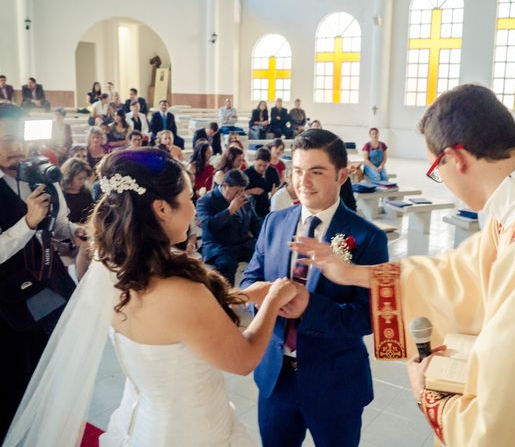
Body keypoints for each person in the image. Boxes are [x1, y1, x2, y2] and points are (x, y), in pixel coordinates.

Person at [291, 84, 515, 446]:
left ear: (455, 158)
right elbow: (464, 272)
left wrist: (430, 396)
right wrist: (354, 274)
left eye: (435, 169)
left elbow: (508, 421)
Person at [4, 147, 300, 446]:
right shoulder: (182, 293)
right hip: (194, 432)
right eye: (188, 200)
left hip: (142, 422)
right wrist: (274, 299)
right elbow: (243, 360)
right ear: (161, 208)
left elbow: (177, 324)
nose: (194, 210)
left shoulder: (109, 265)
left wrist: (244, 294)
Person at [241, 129, 389, 447]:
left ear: (342, 175)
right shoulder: (274, 223)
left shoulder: (368, 238)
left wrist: (310, 307)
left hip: (335, 382)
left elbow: (368, 318)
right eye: (297, 171)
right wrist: (263, 300)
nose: (303, 182)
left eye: (316, 172)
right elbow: (249, 280)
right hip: (276, 377)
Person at [0, 104, 82, 441]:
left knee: (46, 376)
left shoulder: (41, 174)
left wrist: (77, 232)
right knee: (12, 386)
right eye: (7, 139)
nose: (18, 148)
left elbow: (59, 226)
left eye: (21, 139)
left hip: (47, 293)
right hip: (5, 307)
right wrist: (27, 222)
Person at [197, 169, 262, 285]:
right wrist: (230, 210)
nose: (240, 194)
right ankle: (227, 299)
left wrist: (265, 239)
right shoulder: (206, 201)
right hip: (219, 246)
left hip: (242, 243)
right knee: (227, 264)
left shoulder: (245, 199)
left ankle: (256, 294)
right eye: (237, 191)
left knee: (264, 253)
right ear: (224, 185)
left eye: (242, 191)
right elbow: (208, 225)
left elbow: (255, 222)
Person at [244, 147, 280, 219]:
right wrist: (251, 191)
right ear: (255, 161)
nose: (262, 168)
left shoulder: (272, 171)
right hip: (252, 210)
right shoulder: (246, 174)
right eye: (259, 165)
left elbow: (276, 186)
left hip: (269, 207)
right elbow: (238, 193)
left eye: (265, 166)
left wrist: (275, 192)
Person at [60, 158, 94, 224]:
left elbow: (91, 213)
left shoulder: (86, 193)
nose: (83, 182)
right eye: (80, 179)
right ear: (68, 177)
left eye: (85, 178)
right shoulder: (60, 195)